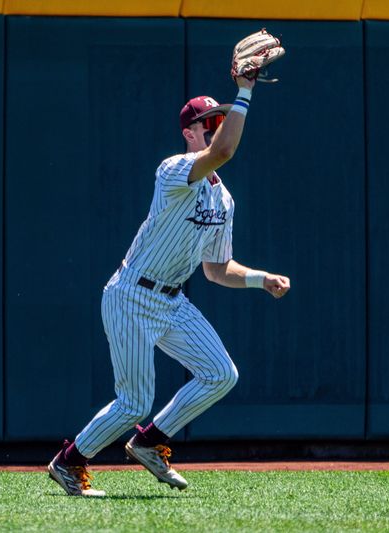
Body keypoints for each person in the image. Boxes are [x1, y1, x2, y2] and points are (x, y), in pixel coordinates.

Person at [48, 74, 291, 497]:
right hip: (131, 295)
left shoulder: (224, 199)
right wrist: (245, 92)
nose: (216, 126)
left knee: (221, 374)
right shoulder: (173, 169)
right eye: (208, 123)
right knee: (134, 402)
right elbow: (226, 150)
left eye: (219, 119)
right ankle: (69, 461)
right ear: (188, 133)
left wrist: (259, 279)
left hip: (173, 301)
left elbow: (216, 269)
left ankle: (149, 441)